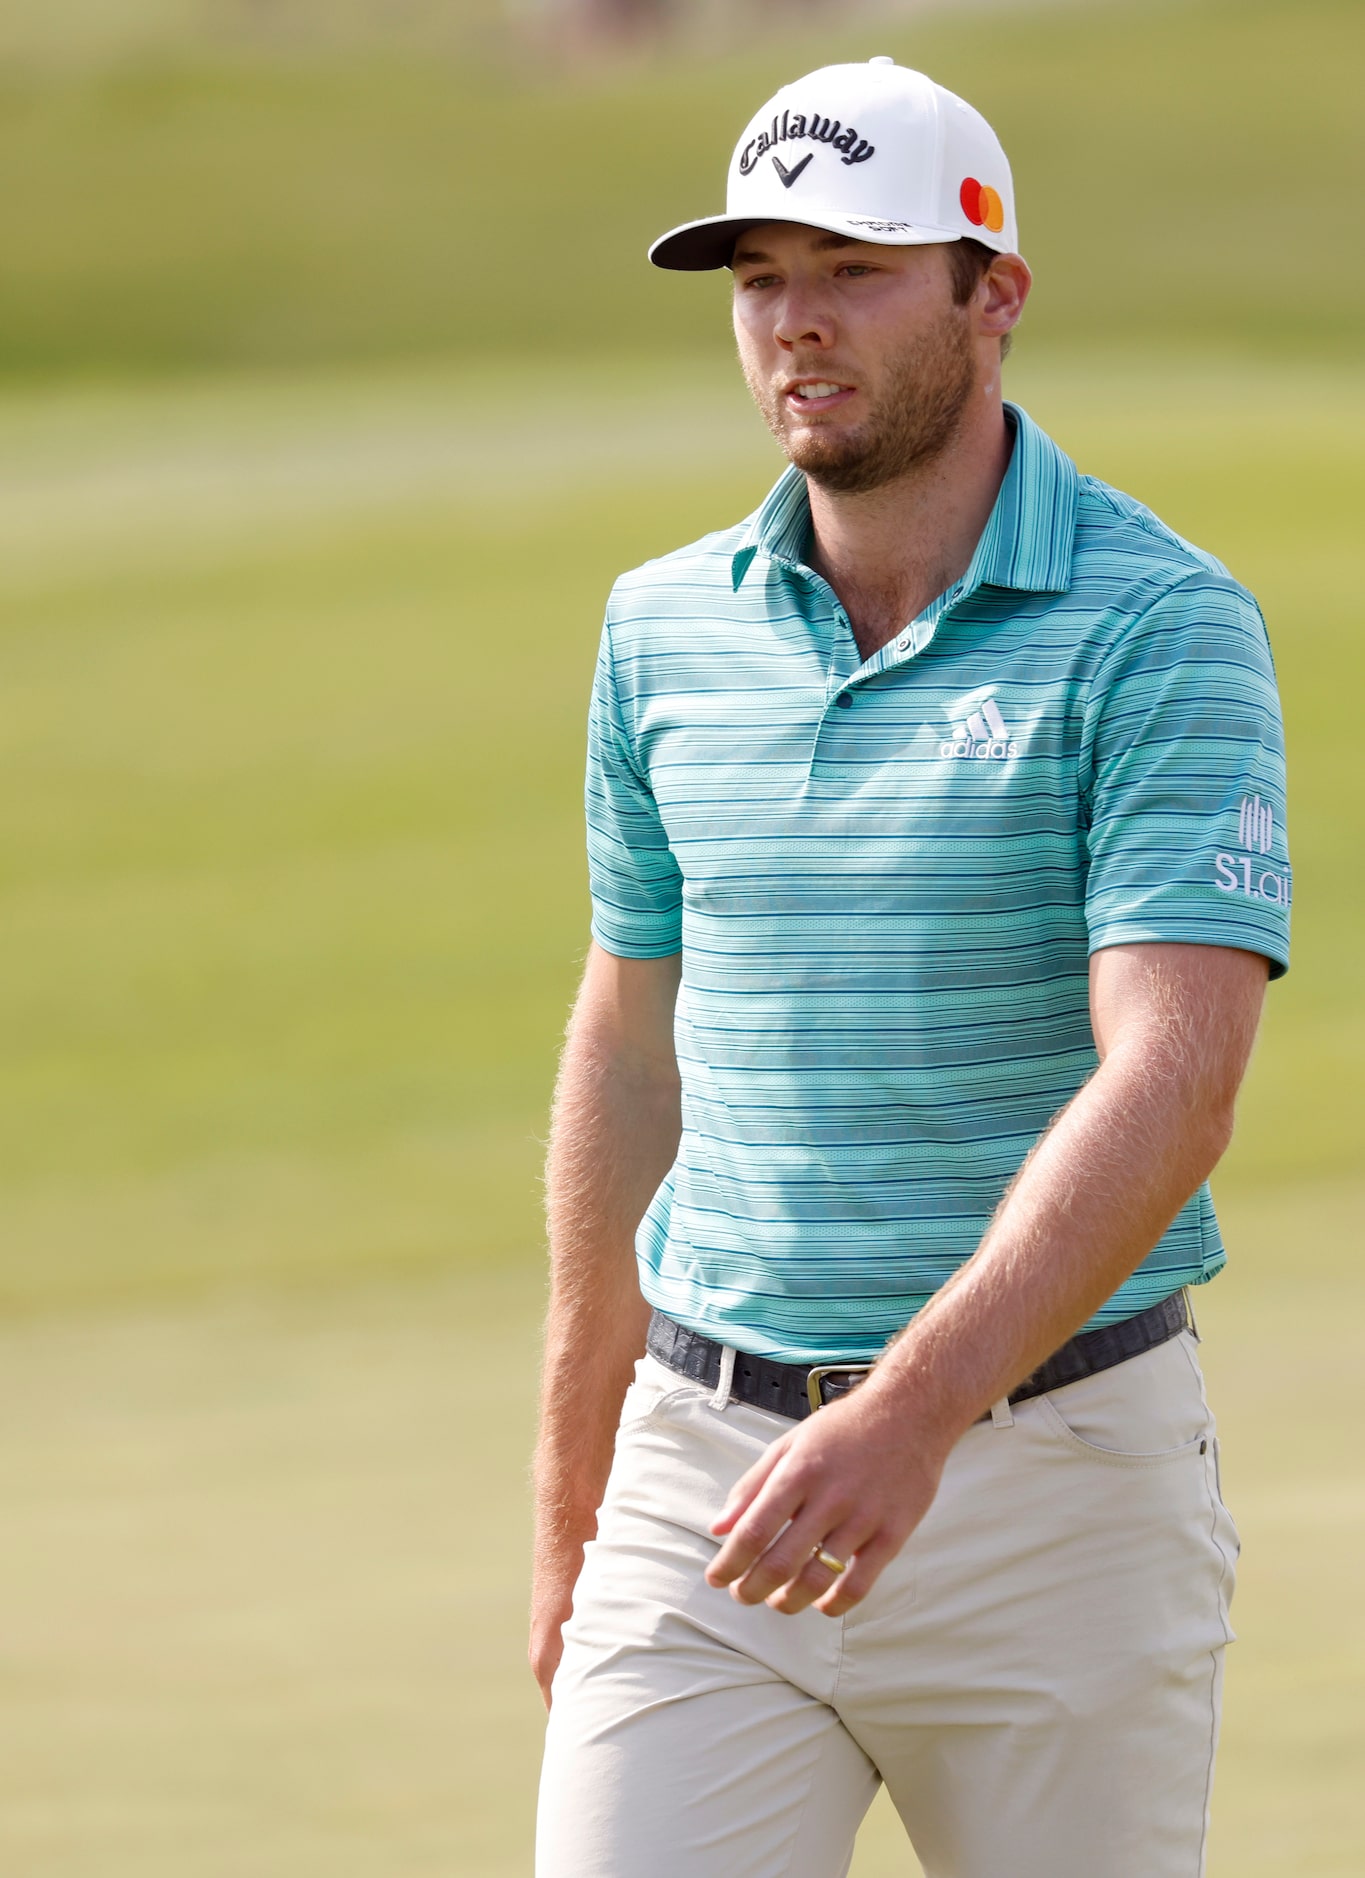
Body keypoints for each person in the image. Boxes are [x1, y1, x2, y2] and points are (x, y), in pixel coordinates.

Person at [531, 57, 1291, 1878]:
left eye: (853, 269)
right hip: (701, 1479)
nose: (794, 323)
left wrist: (911, 1412)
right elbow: (629, 1050)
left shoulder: (1161, 628)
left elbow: (1171, 1076)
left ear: (991, 292)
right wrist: (573, 1493)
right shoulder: (659, 631)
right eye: (756, 279)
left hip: (1051, 1491)